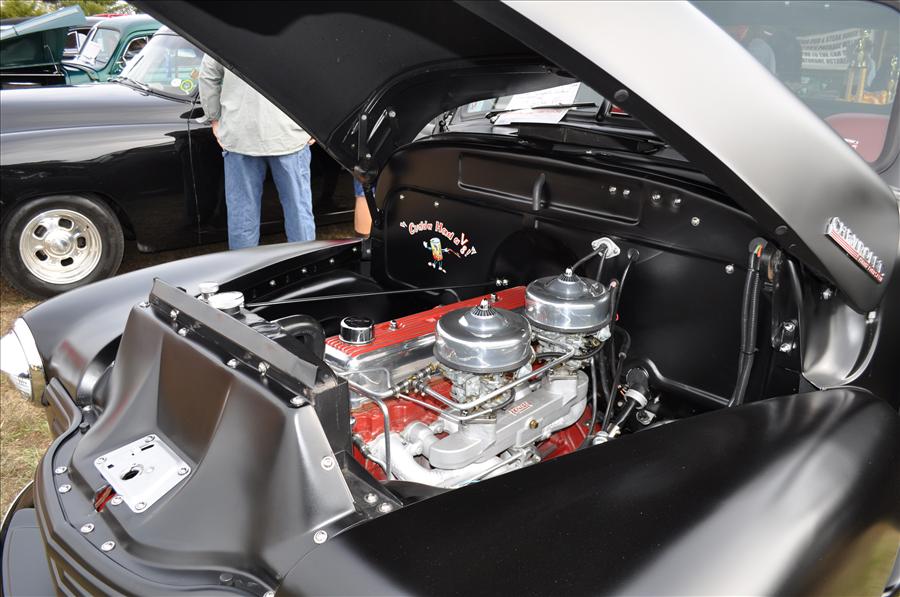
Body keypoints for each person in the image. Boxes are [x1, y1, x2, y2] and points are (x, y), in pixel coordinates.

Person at [198, 55, 316, 249]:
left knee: (242, 214)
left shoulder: (226, 34)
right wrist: (314, 121)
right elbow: (315, 74)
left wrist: (214, 117)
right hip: (288, 133)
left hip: (240, 132)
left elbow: (208, 75)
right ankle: (305, 262)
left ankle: (244, 266)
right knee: (298, 210)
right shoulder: (300, 35)